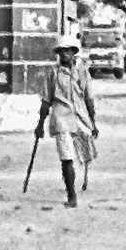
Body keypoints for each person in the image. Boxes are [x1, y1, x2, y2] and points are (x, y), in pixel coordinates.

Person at [36, 35, 99, 208]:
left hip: (80, 116)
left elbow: (89, 99)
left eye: (68, 50)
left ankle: (83, 180)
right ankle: (71, 195)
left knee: (87, 151)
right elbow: (46, 100)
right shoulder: (53, 73)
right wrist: (40, 124)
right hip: (61, 117)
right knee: (66, 158)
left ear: (74, 52)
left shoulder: (82, 72)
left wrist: (93, 123)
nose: (65, 54)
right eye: (62, 51)